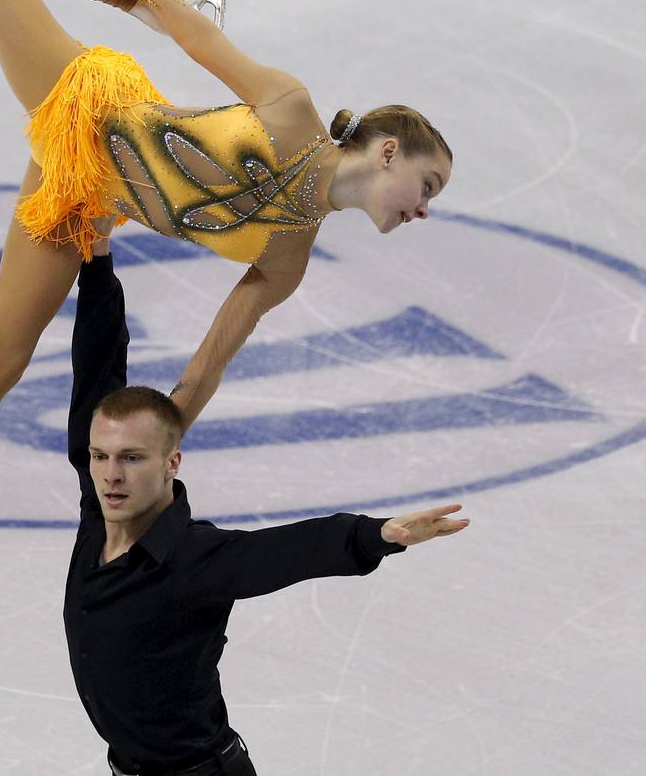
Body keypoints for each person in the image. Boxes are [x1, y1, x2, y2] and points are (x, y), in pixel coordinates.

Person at [0, 0, 455, 646]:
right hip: (86, 102)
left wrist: (157, 462)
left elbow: (206, 366)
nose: (424, 206)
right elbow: (201, 45)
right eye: (426, 182)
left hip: (83, 195)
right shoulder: (292, 112)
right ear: (388, 151)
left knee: (0, 361)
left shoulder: (288, 259)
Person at [63, 244, 468, 774]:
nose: (111, 474)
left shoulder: (194, 558)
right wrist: (96, 265)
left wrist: (378, 534)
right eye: (101, 456)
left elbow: (289, 551)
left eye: (132, 458)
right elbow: (96, 372)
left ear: (171, 463)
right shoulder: (99, 515)